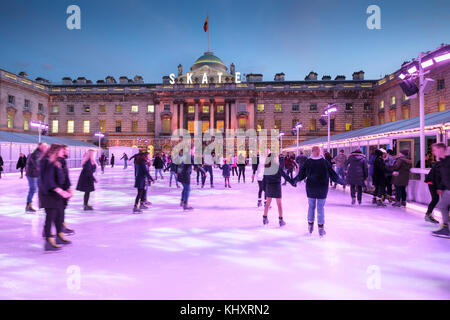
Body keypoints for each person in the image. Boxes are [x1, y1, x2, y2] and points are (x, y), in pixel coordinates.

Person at [294, 146, 344, 236]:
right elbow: (333, 174)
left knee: (311, 207)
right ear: (320, 152)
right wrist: (342, 181)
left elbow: (301, 174)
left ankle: (310, 227)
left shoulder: (308, 162)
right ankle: (321, 228)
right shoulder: (324, 162)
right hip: (322, 188)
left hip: (311, 188)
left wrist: (295, 180)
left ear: (312, 152)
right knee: (320, 208)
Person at [38, 144, 73, 251]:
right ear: (56, 151)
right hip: (48, 194)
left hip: (56, 193)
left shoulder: (58, 161)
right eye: (63, 151)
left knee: (59, 215)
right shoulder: (48, 162)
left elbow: (64, 176)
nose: (64, 153)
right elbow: (48, 180)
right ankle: (48, 241)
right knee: (51, 216)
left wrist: (68, 188)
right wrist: (61, 191)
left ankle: (59, 235)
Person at [262, 153, 296, 227]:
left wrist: (264, 188)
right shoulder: (277, 167)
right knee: (279, 204)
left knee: (267, 203)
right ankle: (281, 220)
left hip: (269, 186)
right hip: (276, 186)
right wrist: (292, 182)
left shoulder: (267, 167)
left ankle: (264, 218)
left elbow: (264, 178)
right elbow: (285, 176)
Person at [431, 143, 450, 238]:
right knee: (442, 206)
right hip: (447, 189)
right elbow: (444, 176)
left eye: (435, 150)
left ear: (441, 149)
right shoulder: (443, 161)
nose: (433, 152)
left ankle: (446, 228)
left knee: (443, 206)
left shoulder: (448, 160)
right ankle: (446, 227)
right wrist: (441, 187)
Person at [25, 142, 48, 213]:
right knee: (33, 189)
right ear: (40, 146)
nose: (46, 148)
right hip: (32, 175)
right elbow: (38, 164)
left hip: (37, 174)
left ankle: (42, 204)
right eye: (45, 147)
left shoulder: (40, 153)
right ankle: (28, 205)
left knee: (41, 188)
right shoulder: (35, 153)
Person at [58, 145, 75, 235]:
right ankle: (61, 228)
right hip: (61, 189)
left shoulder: (62, 161)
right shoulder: (61, 161)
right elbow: (64, 176)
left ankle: (47, 230)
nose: (68, 152)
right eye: (67, 150)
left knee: (60, 209)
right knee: (59, 209)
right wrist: (66, 189)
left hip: (63, 188)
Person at [424, 159, 441, 224]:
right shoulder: (443, 163)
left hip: (435, 182)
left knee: (437, 199)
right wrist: (440, 187)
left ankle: (428, 214)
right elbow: (438, 175)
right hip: (433, 182)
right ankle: (428, 215)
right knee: (435, 198)